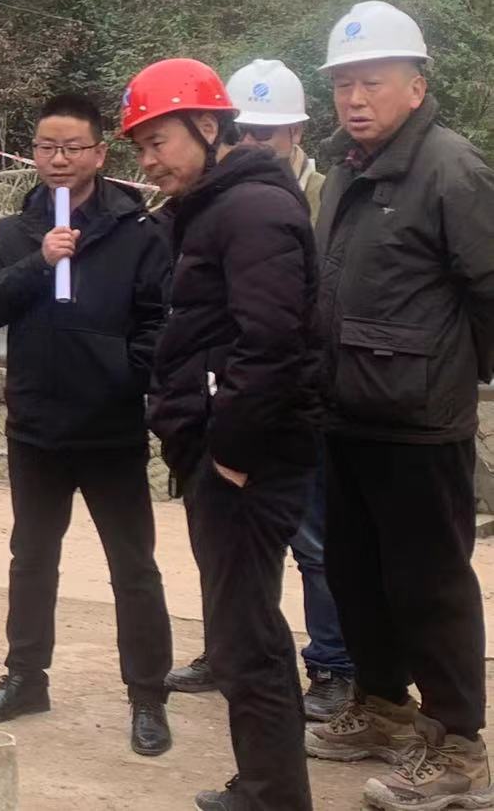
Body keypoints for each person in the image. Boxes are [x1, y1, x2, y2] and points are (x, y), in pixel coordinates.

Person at [304, 1, 494, 811]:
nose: (354, 98)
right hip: (347, 411)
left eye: (372, 82)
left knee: (430, 586)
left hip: (420, 422)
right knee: (357, 573)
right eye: (343, 83)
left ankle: (459, 749)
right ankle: (382, 708)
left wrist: (453, 377)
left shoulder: (452, 168)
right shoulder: (349, 167)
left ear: (416, 86)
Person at [124, 58, 318, 811]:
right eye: (140, 147)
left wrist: (230, 454)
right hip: (221, 448)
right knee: (243, 628)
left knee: (248, 637)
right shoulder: (212, 205)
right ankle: (263, 782)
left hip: (248, 459)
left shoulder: (252, 210)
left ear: (208, 126)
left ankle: (274, 797)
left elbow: (272, 344)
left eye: (160, 141)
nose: (149, 161)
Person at [0, 93, 175, 758]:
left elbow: (158, 326)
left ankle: (147, 696)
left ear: (99, 153)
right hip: (35, 428)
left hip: (110, 430)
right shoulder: (17, 230)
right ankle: (26, 678)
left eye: (72, 147)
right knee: (32, 559)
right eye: (45, 147)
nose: (57, 159)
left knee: (133, 567)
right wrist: (40, 261)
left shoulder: (137, 231)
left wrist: (121, 377)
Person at [168, 59, 353, 723]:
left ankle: (332, 665)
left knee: (313, 544)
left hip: (294, 399)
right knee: (232, 550)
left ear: (297, 131)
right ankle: (228, 649)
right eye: (245, 130)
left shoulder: (325, 196)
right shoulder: (214, 195)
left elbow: (284, 325)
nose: (253, 142)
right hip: (235, 397)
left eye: (268, 132)